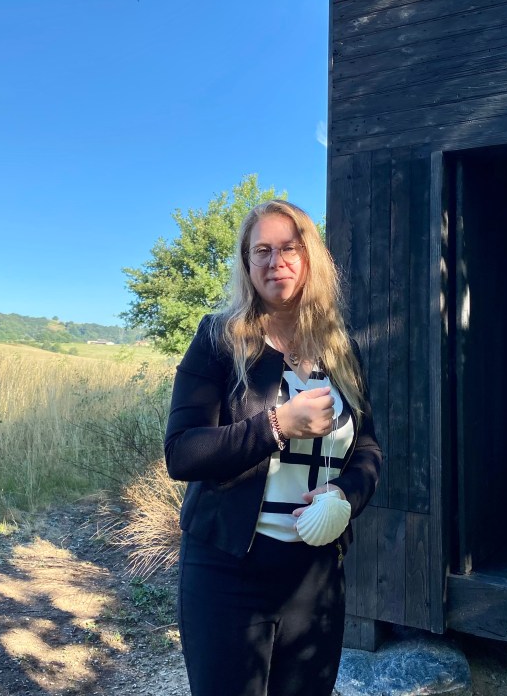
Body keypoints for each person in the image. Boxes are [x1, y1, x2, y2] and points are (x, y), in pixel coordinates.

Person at [164, 199, 382, 696]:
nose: (274, 260)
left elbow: (369, 448)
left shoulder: (340, 349)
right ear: (246, 265)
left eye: (288, 247)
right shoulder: (219, 339)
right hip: (227, 574)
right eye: (260, 250)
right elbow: (182, 452)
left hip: (316, 575)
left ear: (310, 259)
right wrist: (278, 424)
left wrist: (347, 496)